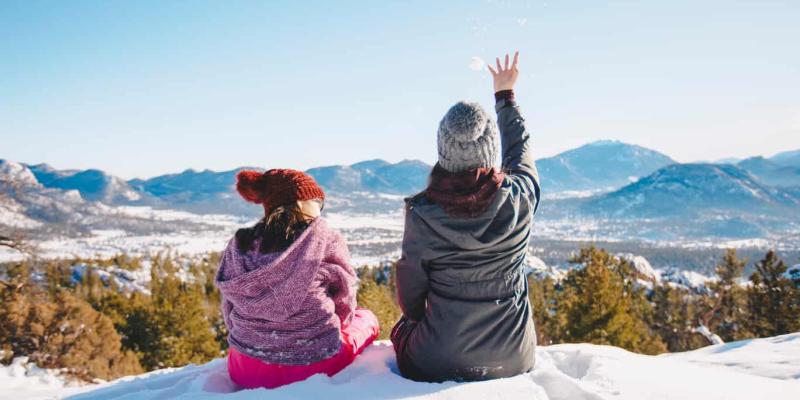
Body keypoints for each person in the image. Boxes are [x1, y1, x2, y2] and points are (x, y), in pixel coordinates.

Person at [391, 51, 540, 382]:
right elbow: (520, 152)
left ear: (443, 151)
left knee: (401, 330)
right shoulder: (520, 198)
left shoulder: (422, 214)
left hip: (435, 361)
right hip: (514, 356)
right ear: (490, 151)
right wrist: (505, 96)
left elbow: (411, 299)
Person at [216, 169, 379, 389]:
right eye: (318, 202)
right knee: (366, 319)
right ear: (302, 202)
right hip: (315, 364)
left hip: (245, 367)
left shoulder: (240, 243)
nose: (321, 209)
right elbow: (344, 300)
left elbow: (229, 307)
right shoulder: (324, 238)